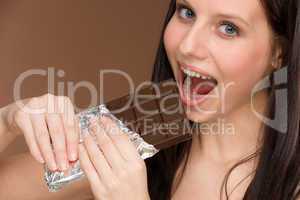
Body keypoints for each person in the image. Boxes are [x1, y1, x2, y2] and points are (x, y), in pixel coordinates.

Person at [0, 0, 299, 200]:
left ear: (279, 53)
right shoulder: (145, 127)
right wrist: (7, 120)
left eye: (229, 28)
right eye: (187, 12)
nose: (188, 45)